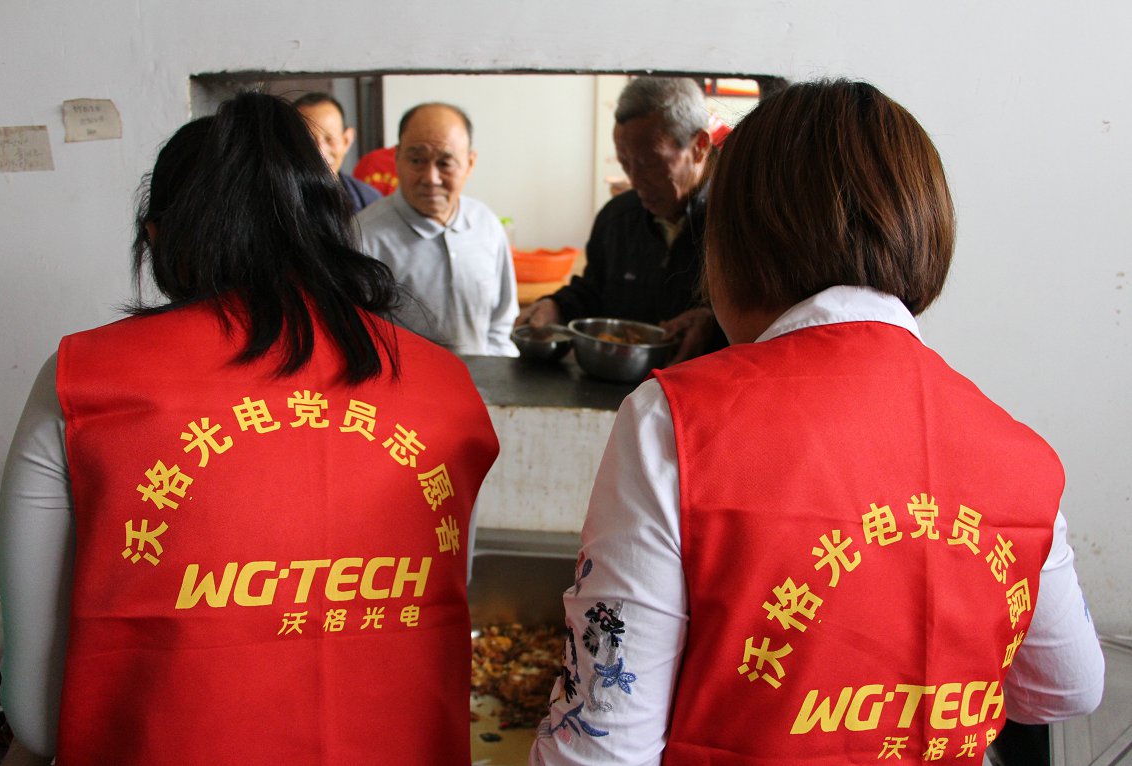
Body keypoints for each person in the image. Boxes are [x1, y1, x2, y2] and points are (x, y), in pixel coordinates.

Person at [531, 80, 1104, 765]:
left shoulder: (675, 422)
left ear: (736, 246)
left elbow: (602, 746)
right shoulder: (1017, 451)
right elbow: (1068, 685)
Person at [0, 92, 499, 766]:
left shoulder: (84, 381)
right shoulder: (447, 388)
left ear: (160, 238)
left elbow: (36, 719)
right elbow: (443, 609)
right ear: (330, 226)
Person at [515, 76, 723, 363]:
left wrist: (714, 321)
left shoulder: (740, 220)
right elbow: (594, 291)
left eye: (650, 163)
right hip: (623, 383)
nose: (635, 181)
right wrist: (557, 306)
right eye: (625, 163)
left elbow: (772, 321)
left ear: (699, 146)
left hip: (703, 384)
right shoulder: (617, 218)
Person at [355, 102, 518, 357]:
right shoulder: (363, 237)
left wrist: (495, 375)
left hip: (484, 380)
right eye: (417, 160)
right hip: (405, 382)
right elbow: (356, 341)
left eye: (445, 162)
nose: (431, 178)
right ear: (397, 158)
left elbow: (500, 326)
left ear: (470, 163)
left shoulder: (485, 224)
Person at [294, 91, 382, 213]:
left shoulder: (369, 201)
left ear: (347, 140)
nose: (319, 151)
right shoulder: (274, 200)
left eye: (329, 139)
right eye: (308, 140)